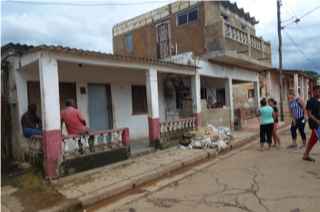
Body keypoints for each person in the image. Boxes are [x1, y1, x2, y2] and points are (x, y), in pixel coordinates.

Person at [302, 85, 320, 162]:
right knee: (316, 137)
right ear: (312, 92)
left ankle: (306, 154)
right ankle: (306, 154)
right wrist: (317, 121)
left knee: (314, 139)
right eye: (315, 92)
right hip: (315, 124)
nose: (318, 93)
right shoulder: (310, 101)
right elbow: (309, 113)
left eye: (319, 91)